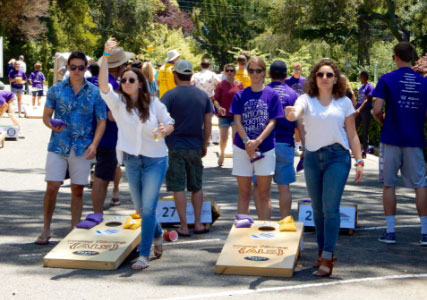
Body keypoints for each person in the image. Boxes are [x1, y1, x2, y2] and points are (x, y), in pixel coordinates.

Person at [100, 38, 174, 269]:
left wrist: (165, 129)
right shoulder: (118, 103)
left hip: (156, 160)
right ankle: (158, 233)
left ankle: (144, 254)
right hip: (131, 160)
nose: (126, 82)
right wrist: (104, 56)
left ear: (140, 83)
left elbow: (170, 123)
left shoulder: (154, 103)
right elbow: (103, 85)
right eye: (123, 80)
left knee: (149, 207)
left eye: (131, 79)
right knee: (142, 209)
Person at [285, 58, 363, 277]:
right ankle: (321, 252)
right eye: (320, 74)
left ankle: (328, 257)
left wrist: (359, 160)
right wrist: (291, 114)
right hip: (312, 157)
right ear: (314, 78)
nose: (325, 78)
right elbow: (297, 111)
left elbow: (352, 133)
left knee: (330, 208)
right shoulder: (305, 99)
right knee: (317, 210)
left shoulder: (345, 102)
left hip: (337, 157)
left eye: (329, 75)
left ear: (336, 79)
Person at [35, 51, 107, 245]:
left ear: (86, 69)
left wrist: (94, 145)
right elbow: (46, 116)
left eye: (80, 67)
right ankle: (46, 229)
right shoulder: (56, 90)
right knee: (52, 186)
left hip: (83, 147)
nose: (76, 71)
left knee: (77, 190)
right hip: (58, 144)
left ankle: (74, 229)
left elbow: (102, 121)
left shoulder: (94, 92)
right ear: (67, 67)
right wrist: (51, 124)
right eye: (73, 67)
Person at [372, 42, 427, 246]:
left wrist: (385, 123)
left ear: (396, 57)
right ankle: (424, 233)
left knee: (389, 185)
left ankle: (390, 231)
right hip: (415, 139)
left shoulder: (386, 79)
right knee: (420, 185)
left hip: (391, 138)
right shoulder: (423, 83)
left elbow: (376, 110)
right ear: (412, 57)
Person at [161, 59, 213, 237]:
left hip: (175, 146)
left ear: (175, 75)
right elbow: (208, 123)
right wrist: (205, 143)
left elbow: (159, 118)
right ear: (191, 75)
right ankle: (197, 223)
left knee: (178, 187)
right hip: (195, 146)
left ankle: (183, 225)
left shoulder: (169, 95)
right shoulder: (202, 96)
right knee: (196, 186)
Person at [230, 57, 283, 220]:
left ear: (264, 72)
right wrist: (247, 142)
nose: (254, 74)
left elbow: (273, 121)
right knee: (244, 192)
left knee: (263, 192)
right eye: (251, 70)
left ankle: (264, 228)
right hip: (242, 147)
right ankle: (241, 230)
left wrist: (257, 142)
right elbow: (237, 121)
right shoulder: (240, 95)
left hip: (265, 147)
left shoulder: (272, 95)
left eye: (258, 71)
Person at [92, 47, 134, 211]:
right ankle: (97, 213)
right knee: (101, 178)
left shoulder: (92, 80)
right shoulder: (114, 85)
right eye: (125, 64)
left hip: (92, 134)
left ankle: (97, 212)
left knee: (99, 176)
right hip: (108, 137)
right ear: (118, 66)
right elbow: (111, 115)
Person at [267, 60, 299, 218]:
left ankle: (263, 222)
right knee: (284, 187)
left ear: (269, 74)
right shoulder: (293, 95)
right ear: (286, 75)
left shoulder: (263, 91)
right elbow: (299, 124)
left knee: (262, 188)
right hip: (285, 143)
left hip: (264, 144)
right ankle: (285, 220)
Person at [213, 63, 243, 166]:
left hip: (235, 115)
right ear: (225, 72)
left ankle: (236, 156)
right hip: (224, 115)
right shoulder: (221, 84)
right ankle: (221, 154)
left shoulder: (239, 84)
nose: (230, 72)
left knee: (235, 137)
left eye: (232, 70)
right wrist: (219, 107)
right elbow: (215, 99)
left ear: (235, 72)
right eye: (227, 71)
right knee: (224, 138)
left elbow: (242, 98)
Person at [355, 71, 374, 158]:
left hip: (366, 110)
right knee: (354, 127)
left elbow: (367, 100)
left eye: (360, 76)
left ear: (364, 77)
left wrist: (359, 109)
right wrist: (355, 109)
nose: (360, 78)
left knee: (365, 131)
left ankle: (364, 151)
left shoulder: (370, 86)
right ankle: (355, 148)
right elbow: (359, 101)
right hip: (359, 110)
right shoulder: (361, 87)